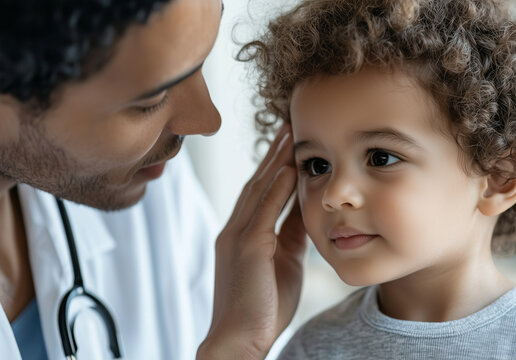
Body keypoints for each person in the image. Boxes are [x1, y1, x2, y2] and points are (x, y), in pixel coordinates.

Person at [240, 0, 516, 358]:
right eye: (317, 166)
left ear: (498, 178)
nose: (334, 195)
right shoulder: (315, 349)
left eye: (380, 157)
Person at [0, 0, 305, 359]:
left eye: (200, 61)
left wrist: (237, 345)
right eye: (150, 101)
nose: (208, 121)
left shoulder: (142, 182)